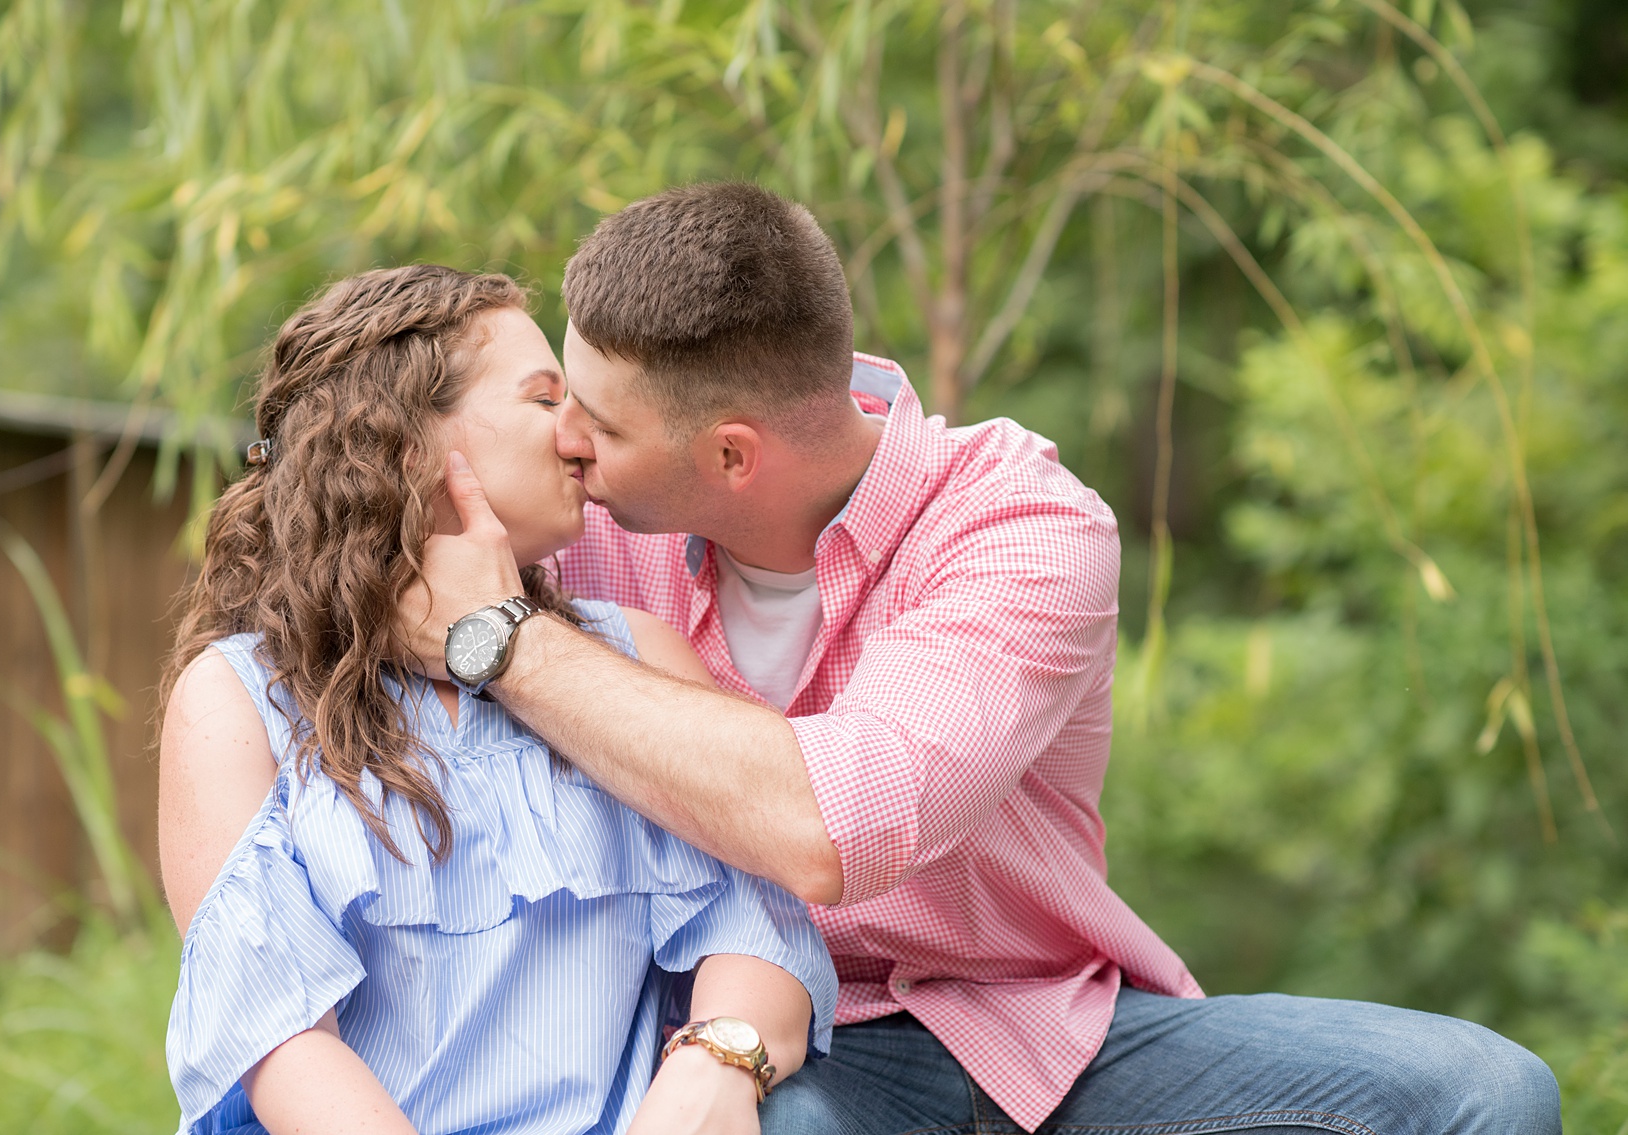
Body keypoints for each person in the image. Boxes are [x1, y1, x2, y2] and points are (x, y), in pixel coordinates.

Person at [397, 183, 1562, 1134]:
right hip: (786, 1044)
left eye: (598, 423)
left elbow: (830, 830)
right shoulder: (583, 532)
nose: (566, 442)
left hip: (1045, 1028)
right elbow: (331, 517)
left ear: (732, 455)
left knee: (1485, 1094)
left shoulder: (1022, 526)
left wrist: (508, 647)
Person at [157, 264, 836, 1135]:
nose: (580, 434)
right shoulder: (240, 698)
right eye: (545, 398)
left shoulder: (633, 656)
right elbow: (281, 1039)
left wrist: (716, 1061)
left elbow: (757, 918)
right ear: (403, 441)